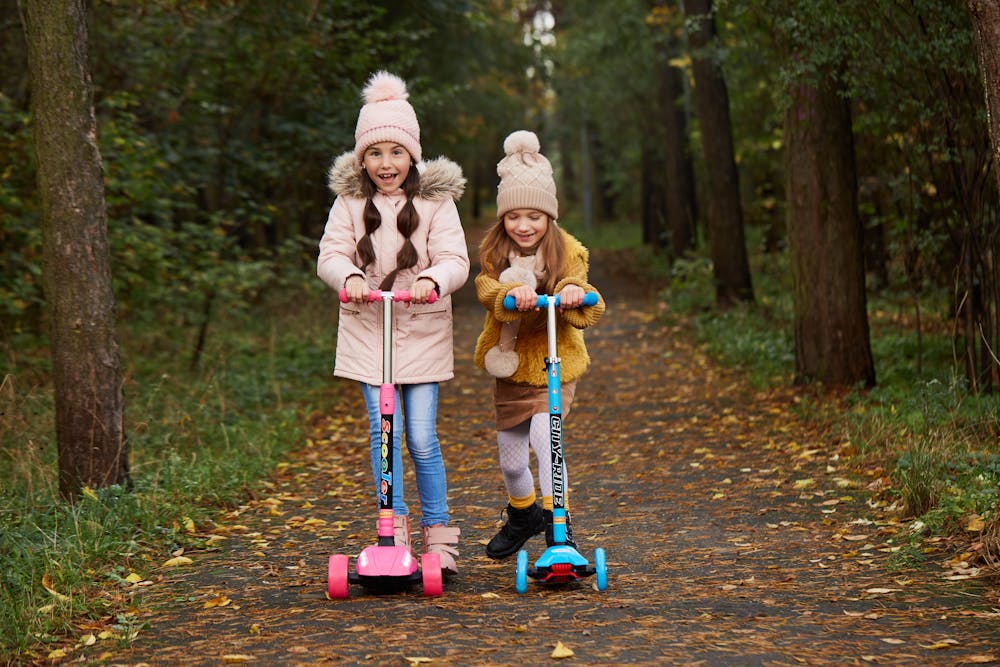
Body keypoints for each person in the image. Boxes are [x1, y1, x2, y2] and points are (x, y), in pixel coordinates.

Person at [317, 71, 469, 575]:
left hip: (421, 330)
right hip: (368, 331)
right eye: (376, 154)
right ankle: (393, 529)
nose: (387, 164)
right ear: (363, 159)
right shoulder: (350, 203)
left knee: (421, 437)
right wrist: (351, 276)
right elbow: (330, 254)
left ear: (413, 157)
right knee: (385, 433)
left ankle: (438, 535)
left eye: (396, 153)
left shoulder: (435, 201)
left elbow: (455, 258)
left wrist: (432, 279)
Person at [473, 130, 605, 560]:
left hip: (553, 364)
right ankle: (524, 513)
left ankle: (558, 526)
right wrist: (507, 296)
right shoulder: (494, 250)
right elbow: (486, 288)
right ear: (502, 219)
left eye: (534, 216)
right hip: (511, 369)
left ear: (549, 216)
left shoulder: (568, 249)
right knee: (512, 462)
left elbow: (582, 286)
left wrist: (568, 291)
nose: (524, 226)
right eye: (514, 216)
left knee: (544, 438)